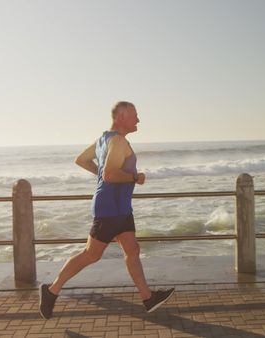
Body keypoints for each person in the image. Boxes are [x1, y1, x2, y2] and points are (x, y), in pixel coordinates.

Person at [39, 101, 175, 319]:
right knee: (91, 255)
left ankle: (148, 298)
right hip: (110, 209)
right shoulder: (119, 141)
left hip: (121, 208)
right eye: (135, 115)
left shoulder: (104, 139)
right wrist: (134, 178)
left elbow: (82, 160)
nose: (138, 120)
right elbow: (110, 175)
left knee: (132, 250)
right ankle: (51, 290)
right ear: (121, 116)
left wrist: (102, 175)